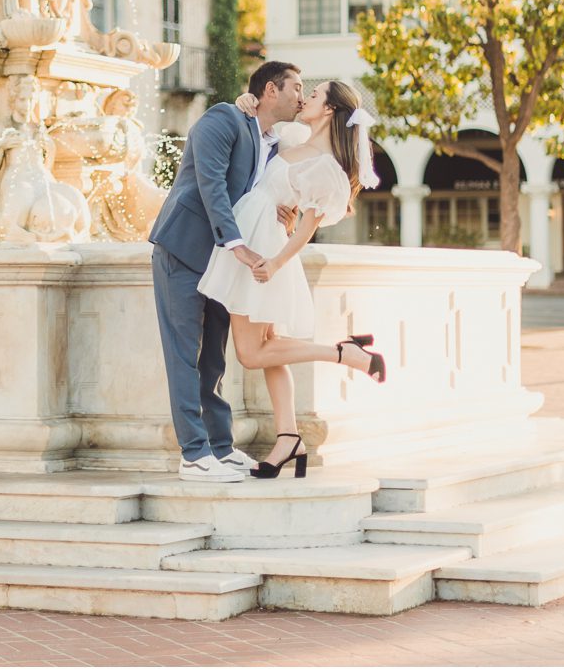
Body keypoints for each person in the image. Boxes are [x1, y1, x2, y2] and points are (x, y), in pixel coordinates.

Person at [202, 79, 386, 480]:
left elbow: (307, 227)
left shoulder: (325, 167)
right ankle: (289, 437)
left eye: (315, 94)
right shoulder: (292, 135)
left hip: (266, 247)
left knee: (252, 354)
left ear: (331, 110)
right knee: (267, 348)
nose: (306, 98)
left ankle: (345, 354)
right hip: (254, 229)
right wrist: (245, 101)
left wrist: (275, 263)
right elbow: (261, 136)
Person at [147, 61, 303, 482]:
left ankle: (219, 444)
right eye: (296, 86)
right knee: (184, 355)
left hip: (224, 264)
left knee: (213, 357)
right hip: (185, 247)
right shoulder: (224, 117)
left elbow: (257, 194)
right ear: (271, 90)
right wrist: (237, 245)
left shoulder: (275, 141)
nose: (301, 95)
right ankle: (194, 454)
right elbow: (211, 183)